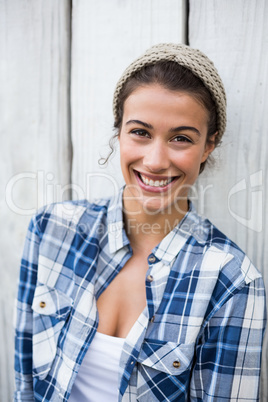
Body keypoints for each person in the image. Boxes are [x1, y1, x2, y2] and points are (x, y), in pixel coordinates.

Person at [14, 43, 266, 401]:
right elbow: (24, 383)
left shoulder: (232, 281)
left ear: (209, 146)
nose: (156, 160)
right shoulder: (51, 230)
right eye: (140, 132)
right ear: (119, 131)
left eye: (181, 138)